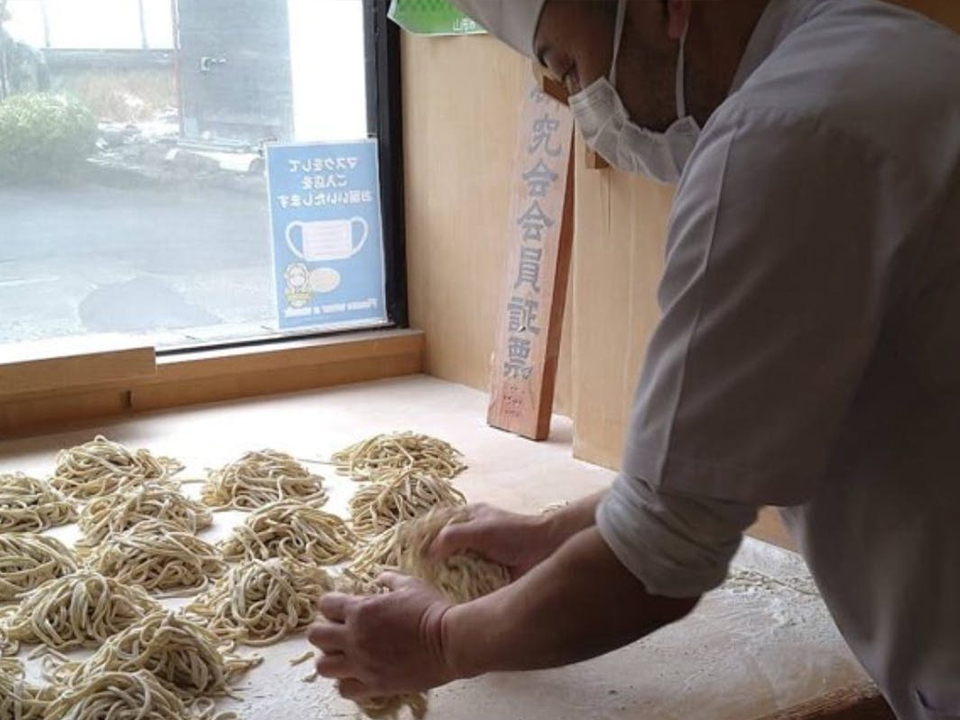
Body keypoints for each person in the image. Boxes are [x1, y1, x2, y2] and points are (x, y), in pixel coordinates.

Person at [308, 2, 960, 718]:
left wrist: (437, 640)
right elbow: (726, 460)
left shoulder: (782, 136)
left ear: (663, 8)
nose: (562, 96)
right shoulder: (892, 54)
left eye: (565, 63)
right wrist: (551, 534)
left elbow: (657, 560)